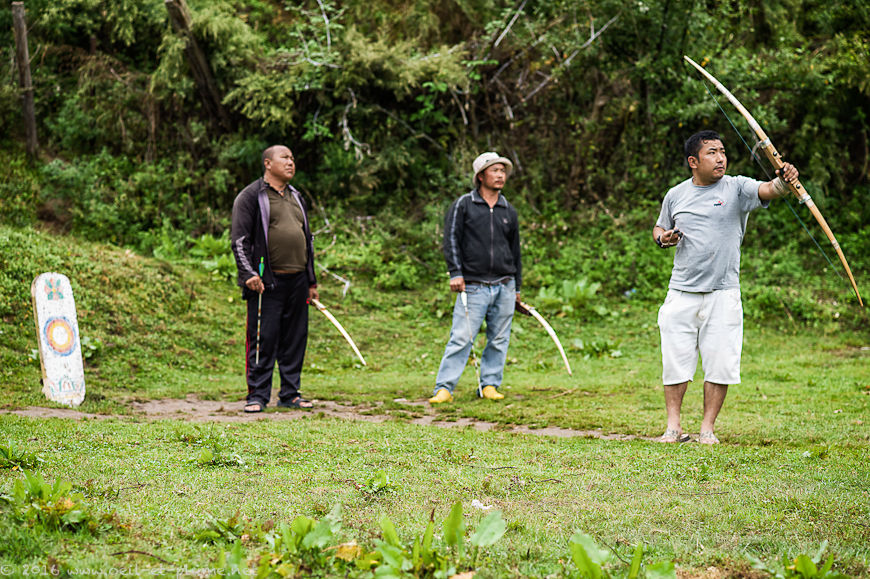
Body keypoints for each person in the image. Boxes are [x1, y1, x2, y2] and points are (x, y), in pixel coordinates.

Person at [653, 130, 798, 443]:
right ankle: (673, 428)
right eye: (711, 153)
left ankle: (707, 430)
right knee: (675, 362)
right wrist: (662, 238)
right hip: (681, 292)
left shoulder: (737, 186)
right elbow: (660, 226)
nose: (720, 158)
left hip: (724, 293)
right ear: (693, 161)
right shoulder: (676, 194)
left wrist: (786, 180)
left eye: (722, 151)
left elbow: (771, 189)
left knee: (721, 363)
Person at [231, 145, 319, 413]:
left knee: (295, 339)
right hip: (265, 283)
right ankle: (257, 395)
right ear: (268, 163)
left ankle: (290, 394)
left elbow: (307, 240)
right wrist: (249, 274)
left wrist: (311, 281)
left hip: (297, 281)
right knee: (263, 339)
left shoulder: (296, 196)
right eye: (285, 158)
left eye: (292, 157)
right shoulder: (251, 196)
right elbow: (240, 240)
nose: (291, 162)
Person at [429, 152, 522, 404]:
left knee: (499, 338)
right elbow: (450, 240)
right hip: (473, 285)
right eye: (495, 170)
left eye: (503, 171)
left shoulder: (507, 210)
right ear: (481, 176)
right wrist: (455, 272)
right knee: (461, 337)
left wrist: (517, 288)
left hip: (504, 284)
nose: (501, 175)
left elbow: (515, 251)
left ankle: (489, 384)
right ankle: (445, 388)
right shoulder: (463, 205)